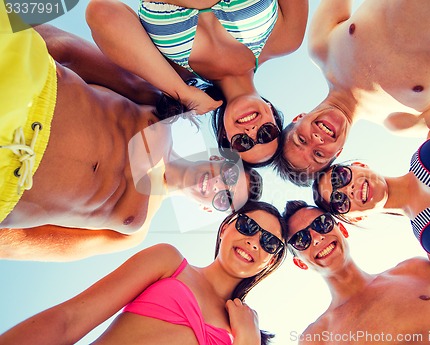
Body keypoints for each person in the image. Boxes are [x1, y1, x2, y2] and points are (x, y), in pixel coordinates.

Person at [0, 14, 261, 261]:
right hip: (22, 86)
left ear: (208, 211)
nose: (218, 184)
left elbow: (28, 243)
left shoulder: (133, 229)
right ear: (217, 156)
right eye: (228, 175)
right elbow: (69, 51)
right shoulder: (160, 109)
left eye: (224, 198)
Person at [0, 201, 287, 345]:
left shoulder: (245, 330)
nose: (254, 241)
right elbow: (70, 318)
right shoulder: (168, 261)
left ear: (270, 263)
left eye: (269, 242)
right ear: (225, 228)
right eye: (249, 227)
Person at [276, 0, 430, 184]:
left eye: (301, 139)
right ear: (339, 151)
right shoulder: (403, 121)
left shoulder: (321, 48)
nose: (316, 140)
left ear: (298, 118)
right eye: (319, 154)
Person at [86, 0, 308, 166]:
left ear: (224, 136)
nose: (251, 131)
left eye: (243, 143)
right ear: (272, 113)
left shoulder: (171, 73)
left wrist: (182, 92)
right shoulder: (286, 40)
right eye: (266, 134)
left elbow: (101, 13)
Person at [283, 200, 430, 345]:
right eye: (301, 240)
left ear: (343, 229)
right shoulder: (317, 337)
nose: (317, 237)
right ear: (300, 263)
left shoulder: (416, 270)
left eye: (321, 224)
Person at [312, 116, 430, 278]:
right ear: (357, 217)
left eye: (341, 177)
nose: (348, 189)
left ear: (360, 165)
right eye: (339, 201)